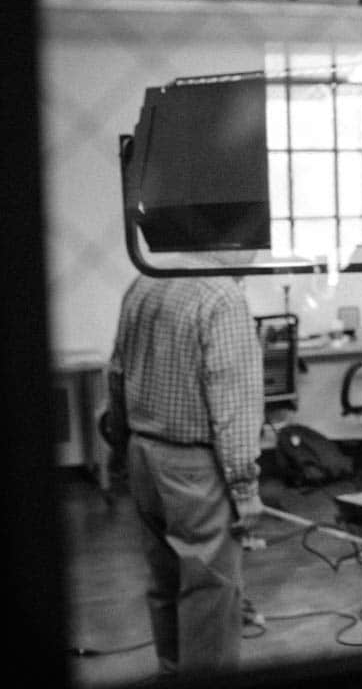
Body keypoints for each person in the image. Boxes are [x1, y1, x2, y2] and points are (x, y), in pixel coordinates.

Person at [107, 274, 265, 677]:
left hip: (143, 451)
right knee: (209, 595)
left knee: (165, 585)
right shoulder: (223, 297)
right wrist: (246, 490)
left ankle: (171, 673)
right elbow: (234, 406)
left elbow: (116, 372)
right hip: (193, 467)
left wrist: (122, 449)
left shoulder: (145, 282)